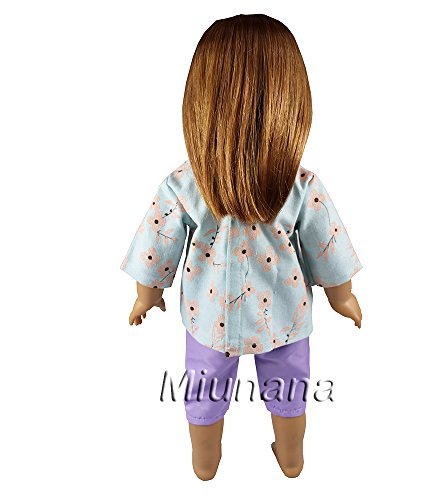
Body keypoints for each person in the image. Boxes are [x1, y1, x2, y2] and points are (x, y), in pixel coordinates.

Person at [120, 13, 363, 480]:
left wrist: (146, 295)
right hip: (285, 316)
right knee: (289, 391)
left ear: (201, 102)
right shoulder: (300, 185)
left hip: (209, 319)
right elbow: (327, 247)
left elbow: (158, 242)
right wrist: (342, 296)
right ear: (290, 101)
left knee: (204, 390)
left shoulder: (184, 184)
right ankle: (291, 459)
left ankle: (205, 462)